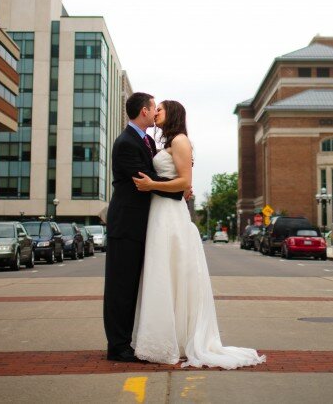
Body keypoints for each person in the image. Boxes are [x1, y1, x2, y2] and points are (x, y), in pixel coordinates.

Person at [132, 100, 265, 369]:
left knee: (172, 271)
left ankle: (181, 339)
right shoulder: (168, 142)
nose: (156, 112)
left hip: (170, 213)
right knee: (162, 271)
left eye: (161, 109)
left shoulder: (181, 140)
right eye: (154, 108)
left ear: (173, 114)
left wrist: (150, 185)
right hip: (160, 210)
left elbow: (185, 182)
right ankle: (166, 336)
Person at [103, 91, 178, 362]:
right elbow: (144, 179)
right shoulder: (126, 142)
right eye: (153, 107)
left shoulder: (145, 140)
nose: (156, 112)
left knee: (133, 286)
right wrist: (178, 188)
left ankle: (128, 341)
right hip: (126, 225)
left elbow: (155, 175)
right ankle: (118, 346)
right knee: (120, 288)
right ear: (144, 111)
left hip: (142, 224)